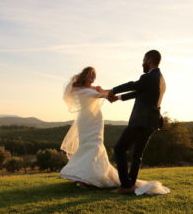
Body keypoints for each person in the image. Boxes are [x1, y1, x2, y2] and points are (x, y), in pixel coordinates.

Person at [60, 64, 169, 195]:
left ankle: (90, 177)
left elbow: (105, 92)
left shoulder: (95, 89)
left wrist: (110, 93)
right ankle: (83, 176)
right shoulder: (80, 89)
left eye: (94, 75)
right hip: (85, 120)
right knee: (86, 145)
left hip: (96, 120)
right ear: (85, 75)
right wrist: (110, 94)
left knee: (96, 145)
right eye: (91, 75)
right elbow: (100, 94)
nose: (93, 78)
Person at [108, 50, 167, 194]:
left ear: (149, 59)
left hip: (141, 121)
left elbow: (133, 85)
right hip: (152, 122)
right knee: (137, 154)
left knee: (120, 148)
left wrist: (113, 90)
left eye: (144, 59)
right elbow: (139, 92)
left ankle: (125, 186)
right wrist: (119, 97)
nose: (143, 62)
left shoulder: (149, 76)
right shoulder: (160, 78)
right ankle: (130, 184)